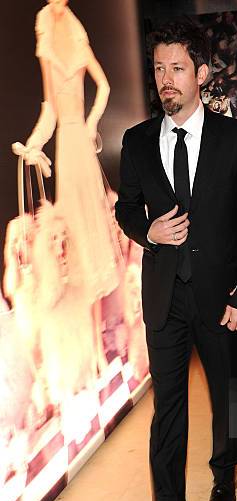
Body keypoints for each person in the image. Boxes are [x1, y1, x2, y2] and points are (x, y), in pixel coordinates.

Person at [115, 19, 237, 501]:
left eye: (177, 68)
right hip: (164, 297)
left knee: (226, 397)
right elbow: (127, 207)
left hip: (222, 298)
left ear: (201, 74)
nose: (166, 80)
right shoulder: (135, 142)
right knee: (168, 408)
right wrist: (147, 231)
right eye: (158, 69)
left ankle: (224, 474)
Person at [12, 0, 120, 372]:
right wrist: (35, 143)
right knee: (73, 242)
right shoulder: (46, 34)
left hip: (80, 146)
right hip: (64, 145)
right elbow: (50, 108)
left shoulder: (76, 34)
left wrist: (91, 124)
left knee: (89, 238)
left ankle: (98, 348)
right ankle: (89, 352)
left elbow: (103, 86)